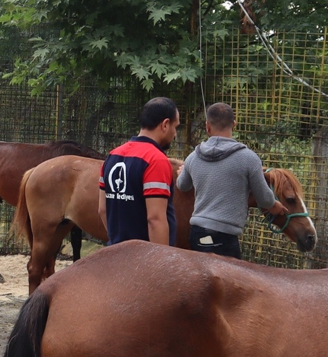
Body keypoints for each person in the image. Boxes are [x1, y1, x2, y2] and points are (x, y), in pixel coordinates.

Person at [176, 101, 276, 259]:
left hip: (199, 235)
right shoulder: (249, 158)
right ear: (234, 124)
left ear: (207, 126)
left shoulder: (193, 157)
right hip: (225, 238)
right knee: (228, 281)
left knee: (202, 278)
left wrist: (184, 171)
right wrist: (275, 204)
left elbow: (182, 185)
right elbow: (265, 199)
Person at [97, 96, 180, 246]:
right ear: (165, 125)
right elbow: (155, 219)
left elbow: (103, 209)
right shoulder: (156, 160)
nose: (175, 134)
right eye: (176, 127)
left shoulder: (112, 155)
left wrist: (117, 243)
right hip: (143, 261)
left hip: (116, 253)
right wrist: (161, 264)